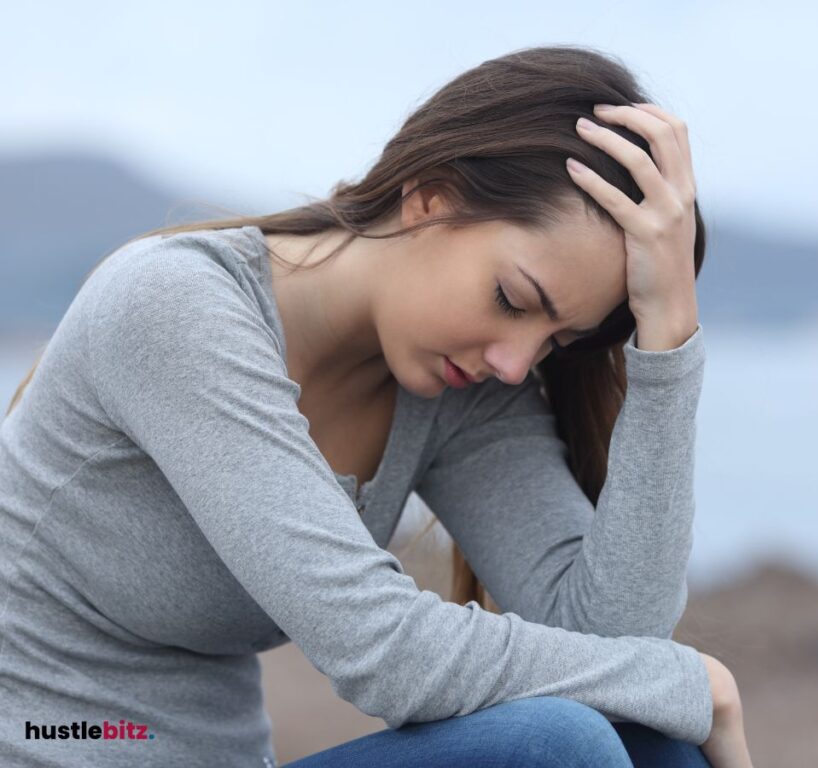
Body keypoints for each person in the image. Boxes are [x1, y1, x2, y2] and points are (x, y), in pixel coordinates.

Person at [0, 45, 754, 767]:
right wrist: (692, 685)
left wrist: (668, 343)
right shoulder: (175, 307)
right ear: (429, 197)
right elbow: (386, 655)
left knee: (650, 741)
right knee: (558, 745)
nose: (516, 360)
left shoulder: (463, 385)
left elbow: (610, 638)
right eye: (513, 299)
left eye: (558, 340)